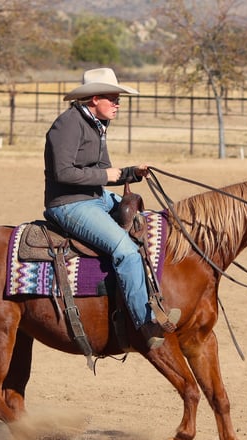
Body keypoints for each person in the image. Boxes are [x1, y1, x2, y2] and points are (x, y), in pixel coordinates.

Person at [43, 68, 180, 350]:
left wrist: (131, 173)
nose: (118, 104)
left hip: (96, 196)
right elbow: (62, 172)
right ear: (95, 98)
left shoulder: (96, 124)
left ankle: (151, 295)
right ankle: (144, 323)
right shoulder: (67, 125)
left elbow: (106, 171)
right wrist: (111, 177)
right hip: (70, 204)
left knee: (149, 223)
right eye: (113, 99)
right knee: (126, 251)